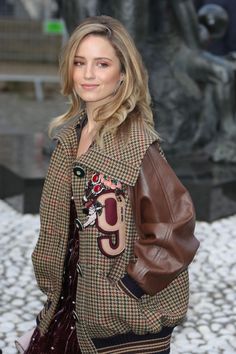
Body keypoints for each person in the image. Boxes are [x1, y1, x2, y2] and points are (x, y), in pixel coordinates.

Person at [23, 15, 199, 354]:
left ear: (122, 74)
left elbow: (175, 227)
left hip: (121, 326)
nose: (88, 74)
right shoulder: (70, 138)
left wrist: (132, 284)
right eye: (79, 62)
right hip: (69, 307)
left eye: (101, 64)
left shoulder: (136, 144)